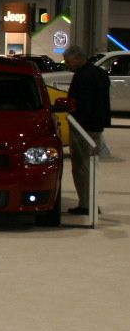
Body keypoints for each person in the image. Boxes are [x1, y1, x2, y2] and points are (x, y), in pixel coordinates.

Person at [62, 45, 111, 215]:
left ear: (77, 58)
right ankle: (89, 202)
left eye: (68, 61)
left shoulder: (83, 76)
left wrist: (76, 119)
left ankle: (86, 204)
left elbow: (84, 104)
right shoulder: (100, 74)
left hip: (83, 128)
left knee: (81, 167)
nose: (68, 65)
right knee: (91, 166)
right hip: (96, 126)